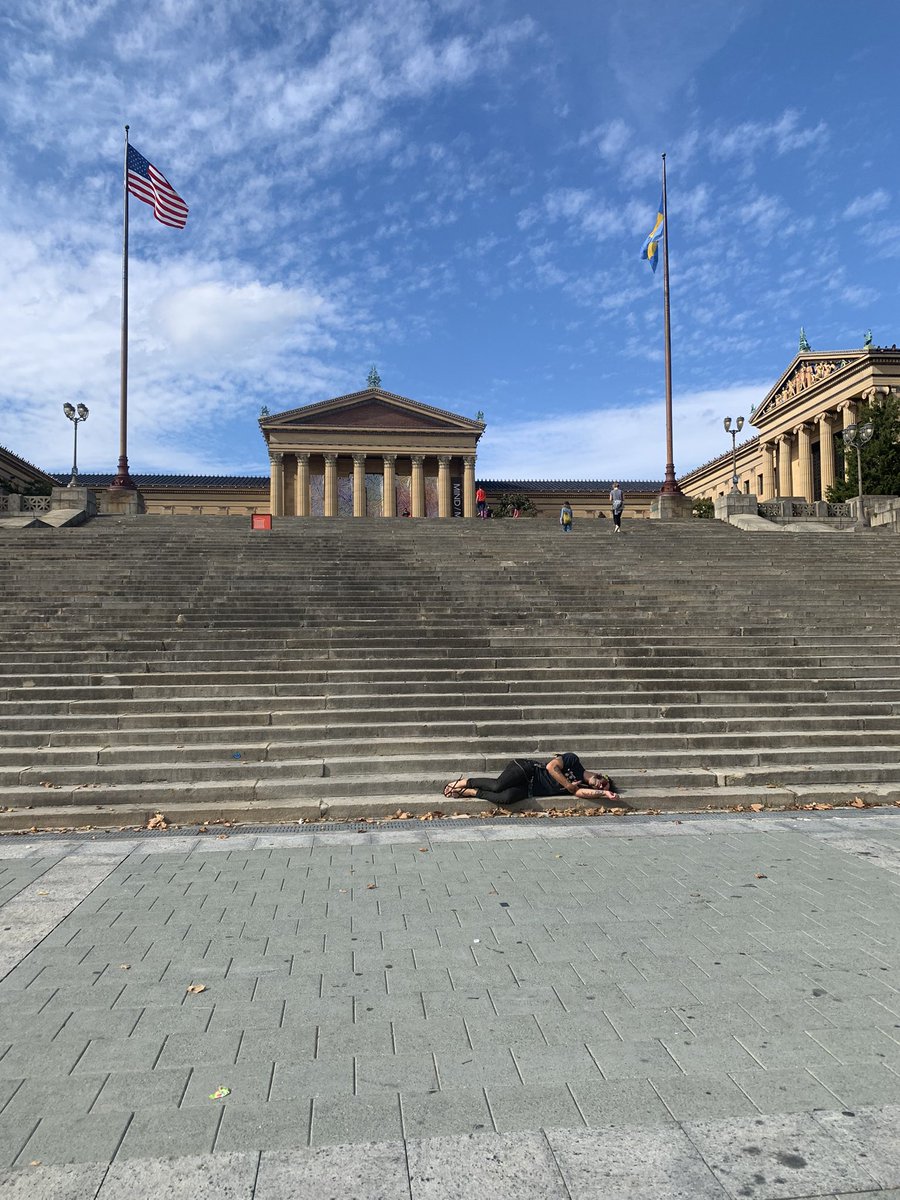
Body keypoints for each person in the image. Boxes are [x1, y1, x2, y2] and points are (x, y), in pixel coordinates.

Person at [443, 753, 617, 808]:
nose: (600, 784)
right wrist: (568, 785)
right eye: (603, 782)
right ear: (600, 775)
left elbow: (580, 793)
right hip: (527, 770)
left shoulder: (581, 787)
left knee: (506, 799)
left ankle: (473, 792)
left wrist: (605, 793)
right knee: (498, 785)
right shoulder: (574, 761)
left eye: (602, 786)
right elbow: (551, 767)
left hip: (529, 789)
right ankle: (465, 782)